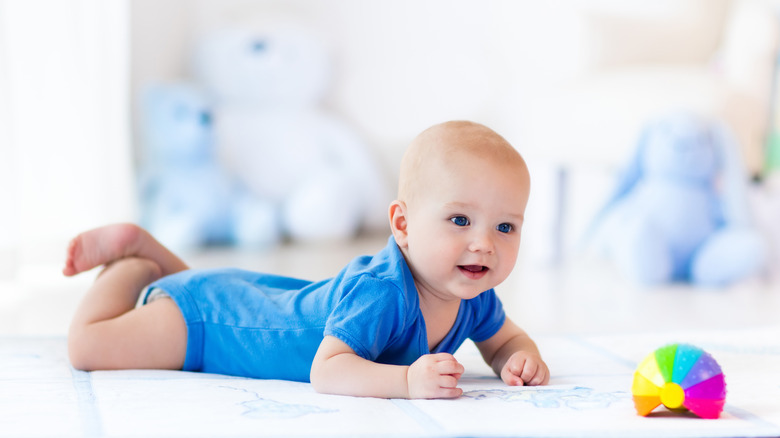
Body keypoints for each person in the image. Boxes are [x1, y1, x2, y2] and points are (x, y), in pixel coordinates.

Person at [63, 120, 549, 399]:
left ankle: (154, 260)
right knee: (88, 348)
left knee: (206, 284)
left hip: (245, 297)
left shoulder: (474, 294)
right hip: (208, 326)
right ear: (402, 226)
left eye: (505, 227)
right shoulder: (383, 292)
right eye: (460, 220)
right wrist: (405, 381)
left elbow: (505, 339)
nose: (485, 243)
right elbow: (329, 371)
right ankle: (132, 263)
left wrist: (519, 358)